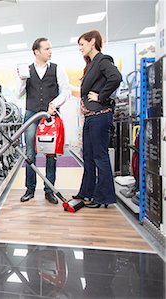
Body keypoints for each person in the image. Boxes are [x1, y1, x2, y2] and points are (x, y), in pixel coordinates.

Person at [18, 37, 71, 204]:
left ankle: (49, 190)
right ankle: (30, 189)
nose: (50, 51)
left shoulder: (57, 69)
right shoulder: (26, 70)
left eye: (50, 48)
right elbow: (18, 94)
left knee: (51, 153)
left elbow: (66, 91)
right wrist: (21, 79)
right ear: (37, 51)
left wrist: (53, 104)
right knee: (30, 153)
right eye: (47, 49)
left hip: (50, 116)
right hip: (31, 115)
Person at [73, 30, 122, 208]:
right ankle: (87, 191)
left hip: (100, 116)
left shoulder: (103, 60)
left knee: (100, 156)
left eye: (82, 44)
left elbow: (116, 78)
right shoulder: (91, 64)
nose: (80, 48)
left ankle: (103, 197)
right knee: (88, 156)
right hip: (91, 117)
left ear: (92, 42)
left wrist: (101, 96)